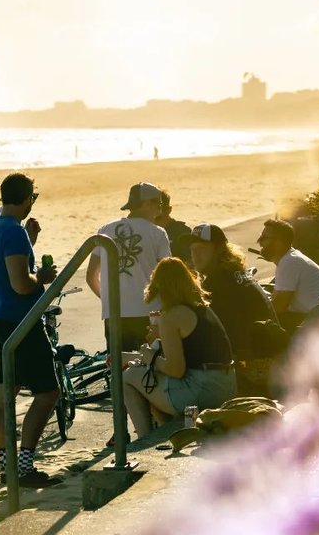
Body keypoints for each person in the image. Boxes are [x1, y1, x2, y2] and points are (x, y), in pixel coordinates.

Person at [0, 173, 59, 487]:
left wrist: (30, 245)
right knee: (47, 392)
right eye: (32, 199)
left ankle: (6, 462)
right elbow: (20, 283)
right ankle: (23, 464)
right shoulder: (13, 232)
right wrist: (43, 277)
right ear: (27, 199)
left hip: (0, 317)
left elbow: (4, 269)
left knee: (3, 392)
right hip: (22, 321)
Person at [120, 258, 236, 440]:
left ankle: (144, 439)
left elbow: (176, 370)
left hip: (202, 392)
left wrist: (150, 357)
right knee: (151, 377)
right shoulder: (203, 308)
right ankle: (167, 429)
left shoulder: (171, 316)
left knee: (128, 377)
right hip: (226, 386)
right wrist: (161, 339)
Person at [183, 223, 282, 396]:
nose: (195, 256)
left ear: (220, 249)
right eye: (192, 250)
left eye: (201, 249)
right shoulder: (235, 273)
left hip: (248, 368)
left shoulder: (217, 282)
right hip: (267, 361)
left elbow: (200, 330)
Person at [0, 205, 40, 436]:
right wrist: (40, 278)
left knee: (5, 368)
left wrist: (30, 241)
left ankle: (0, 419)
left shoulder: (5, 225)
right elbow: (13, 275)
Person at [86, 181, 171, 353]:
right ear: (147, 204)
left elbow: (91, 276)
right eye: (159, 204)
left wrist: (108, 300)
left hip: (115, 314)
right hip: (148, 313)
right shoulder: (158, 233)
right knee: (149, 370)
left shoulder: (105, 229)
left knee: (119, 371)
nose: (160, 210)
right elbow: (167, 275)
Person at [257, 218, 319, 331]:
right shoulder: (290, 259)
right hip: (313, 318)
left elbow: (278, 308)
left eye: (264, 238)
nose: (259, 241)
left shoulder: (290, 262)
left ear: (279, 242)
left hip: (312, 323)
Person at [156, 190, 192, 263]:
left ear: (169, 210)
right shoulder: (146, 231)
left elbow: (191, 262)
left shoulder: (182, 232)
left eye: (158, 218)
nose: (154, 221)